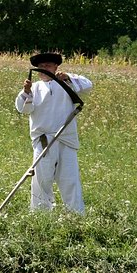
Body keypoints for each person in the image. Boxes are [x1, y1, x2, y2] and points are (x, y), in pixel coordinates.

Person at [15, 53, 92, 214]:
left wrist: (67, 77)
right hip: (43, 140)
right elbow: (24, 109)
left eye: (48, 66)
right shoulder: (34, 88)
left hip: (66, 138)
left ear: (56, 67)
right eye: (41, 67)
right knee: (42, 179)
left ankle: (75, 215)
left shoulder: (67, 84)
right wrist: (25, 91)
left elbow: (87, 86)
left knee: (69, 179)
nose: (44, 69)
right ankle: (41, 215)